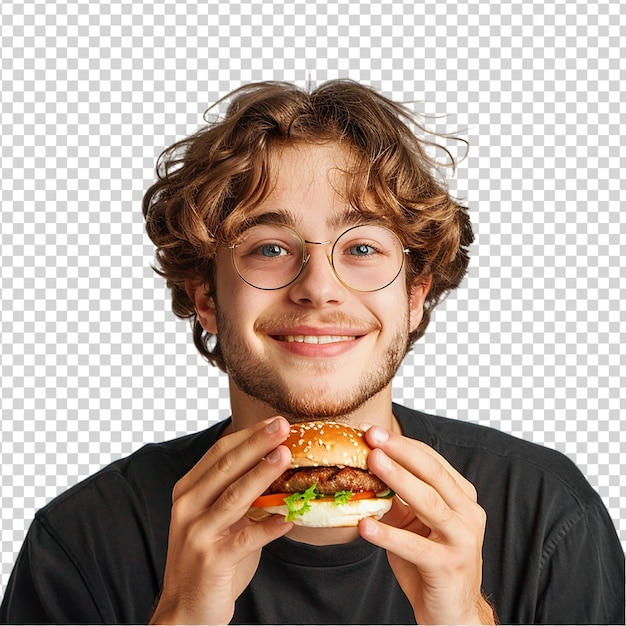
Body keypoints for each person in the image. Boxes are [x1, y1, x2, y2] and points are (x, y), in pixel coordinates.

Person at [1, 80, 623, 625]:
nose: (319, 288)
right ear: (207, 297)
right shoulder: (84, 537)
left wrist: (463, 620)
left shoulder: (547, 513)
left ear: (415, 294)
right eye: (269, 248)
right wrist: (182, 618)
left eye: (362, 248)